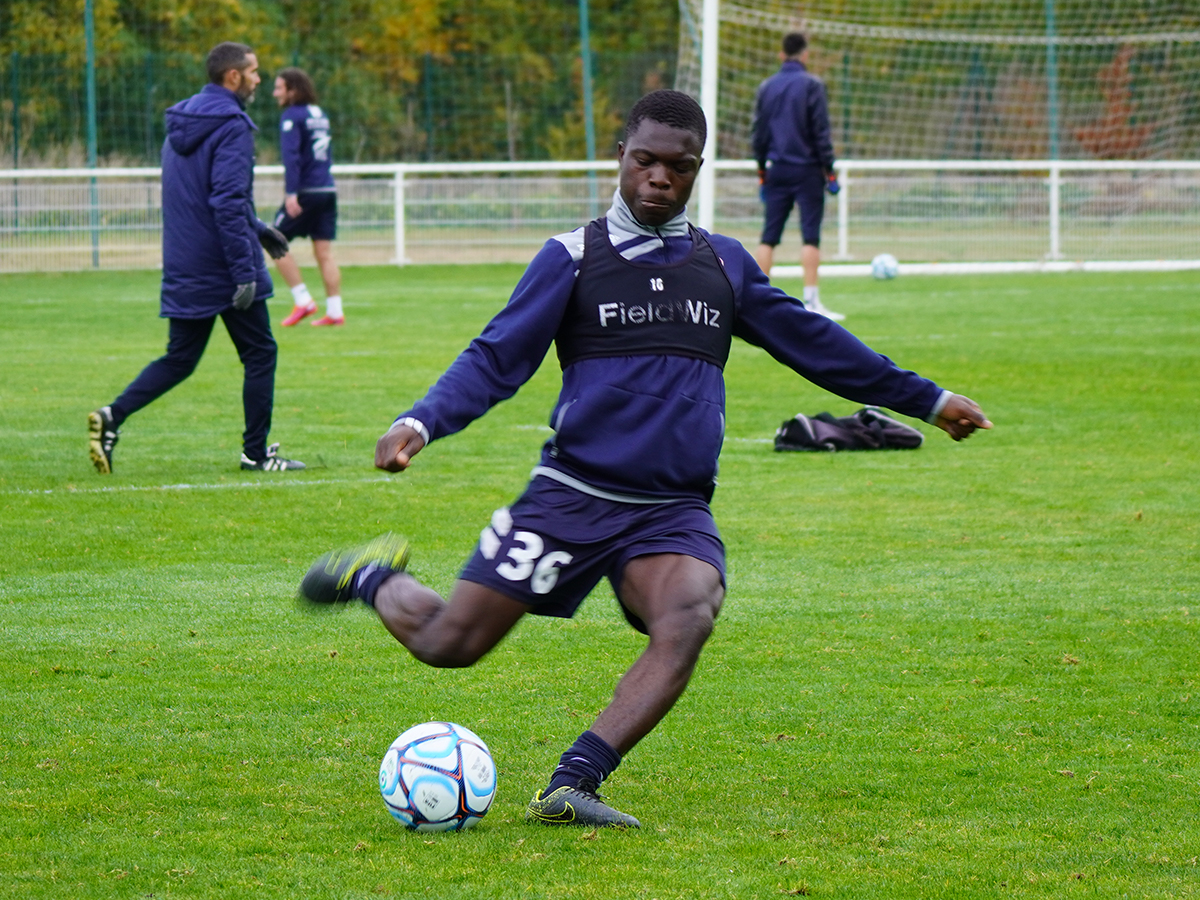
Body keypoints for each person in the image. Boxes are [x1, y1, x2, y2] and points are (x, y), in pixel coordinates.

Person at [297, 90, 991, 828]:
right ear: (621, 160)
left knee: (690, 611)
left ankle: (573, 782)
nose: (659, 177)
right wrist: (421, 420)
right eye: (645, 161)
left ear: (696, 172)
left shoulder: (724, 265)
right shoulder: (572, 258)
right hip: (570, 495)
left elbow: (817, 345)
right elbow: (498, 357)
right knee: (448, 645)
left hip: (670, 509)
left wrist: (927, 398)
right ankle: (375, 579)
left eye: (678, 166)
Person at [88, 42, 305, 474]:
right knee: (261, 352)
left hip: (188, 261)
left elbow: (209, 196)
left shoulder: (182, 122)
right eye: (254, 71)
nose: (260, 79)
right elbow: (225, 199)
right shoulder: (233, 125)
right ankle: (256, 454)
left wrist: (260, 230)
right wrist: (245, 270)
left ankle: (111, 416)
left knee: (180, 358)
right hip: (224, 265)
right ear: (233, 77)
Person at [752, 31, 844, 321]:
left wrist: (762, 171)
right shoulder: (812, 86)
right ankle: (811, 300)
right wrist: (829, 170)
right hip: (807, 170)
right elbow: (820, 132)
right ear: (805, 54)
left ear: (782, 54)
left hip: (776, 168)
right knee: (810, 236)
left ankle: (757, 302)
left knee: (769, 236)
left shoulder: (767, 87)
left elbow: (759, 134)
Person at [272, 67, 344, 327]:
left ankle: (302, 300)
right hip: (327, 189)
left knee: (271, 239)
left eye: (279, 88)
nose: (275, 93)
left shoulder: (292, 115)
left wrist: (291, 193)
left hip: (306, 192)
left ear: (292, 90)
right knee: (324, 253)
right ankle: (335, 312)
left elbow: (292, 158)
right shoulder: (320, 114)